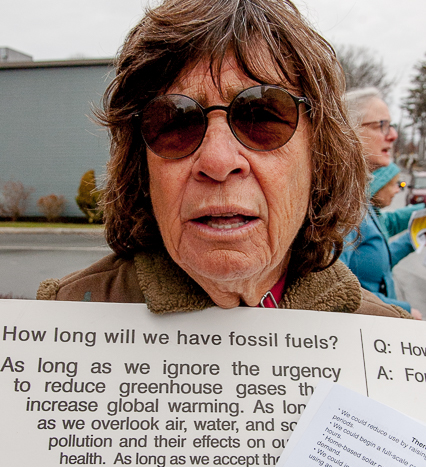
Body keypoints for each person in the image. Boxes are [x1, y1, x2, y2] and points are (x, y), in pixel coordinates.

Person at [37, 0, 409, 319]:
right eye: (175, 122)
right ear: (141, 168)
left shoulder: (384, 350)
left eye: (261, 117)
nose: (216, 161)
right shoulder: (62, 326)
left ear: (319, 157)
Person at [341, 87, 421, 318]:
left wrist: (411, 238)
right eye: (381, 125)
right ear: (348, 130)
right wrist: (404, 311)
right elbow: (335, 290)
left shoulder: (358, 202)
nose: (393, 135)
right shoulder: (340, 206)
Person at [340, 162, 423, 316]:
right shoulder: (353, 217)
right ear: (379, 185)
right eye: (394, 185)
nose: (398, 190)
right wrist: (404, 310)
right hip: (367, 322)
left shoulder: (370, 213)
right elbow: (339, 288)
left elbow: (384, 257)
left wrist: (414, 237)